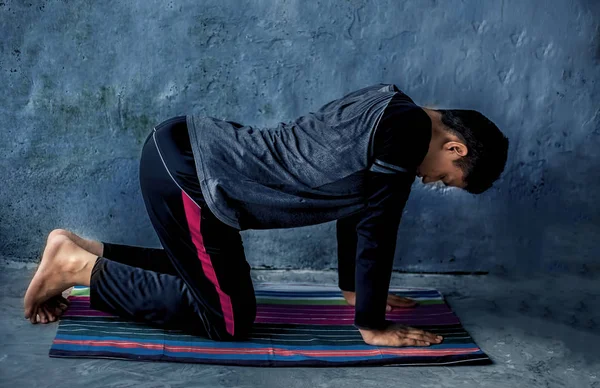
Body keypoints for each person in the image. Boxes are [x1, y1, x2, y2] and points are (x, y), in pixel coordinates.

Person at [23, 83, 509, 348]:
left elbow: (358, 209)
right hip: (194, 174)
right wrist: (372, 325)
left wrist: (354, 290)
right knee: (227, 320)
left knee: (218, 286)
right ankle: (78, 270)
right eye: (447, 176)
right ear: (454, 146)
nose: (431, 182)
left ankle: (87, 251)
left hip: (189, 159)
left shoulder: (391, 106)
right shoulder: (404, 134)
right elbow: (377, 229)